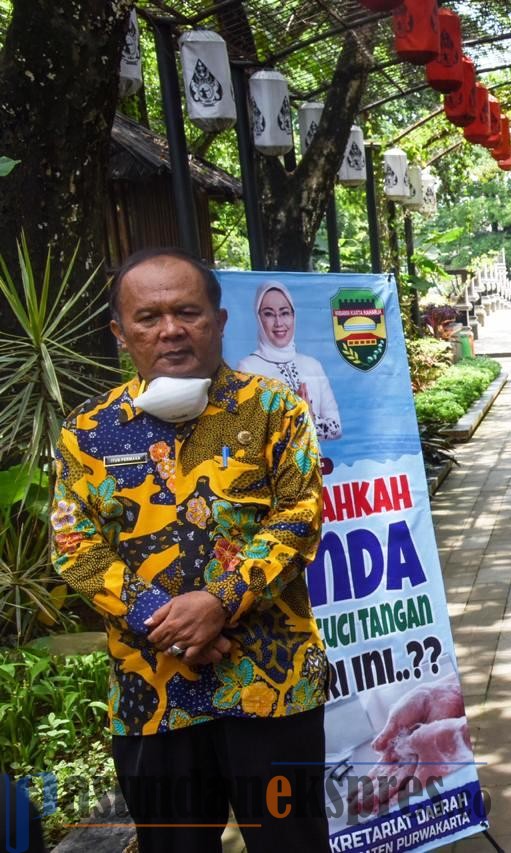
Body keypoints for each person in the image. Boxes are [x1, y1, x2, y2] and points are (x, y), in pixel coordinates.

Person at [50, 248, 329, 852]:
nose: (170, 330)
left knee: (295, 844)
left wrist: (221, 600)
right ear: (119, 333)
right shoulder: (88, 431)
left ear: (220, 321)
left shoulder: (275, 411)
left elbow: (299, 517)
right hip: (153, 694)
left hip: (272, 687)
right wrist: (169, 621)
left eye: (188, 312)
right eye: (148, 317)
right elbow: (75, 547)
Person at [236, 280, 343, 440]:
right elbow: (245, 433)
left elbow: (336, 428)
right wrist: (295, 418)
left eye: (285, 312)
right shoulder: (247, 368)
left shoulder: (312, 365)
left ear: (294, 316)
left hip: (315, 463)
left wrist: (312, 420)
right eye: (269, 314)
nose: (279, 322)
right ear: (258, 318)